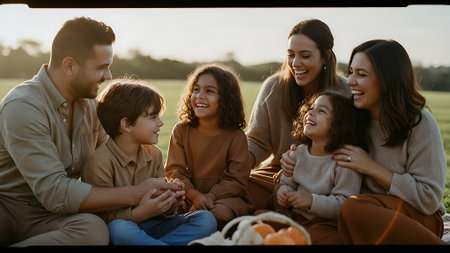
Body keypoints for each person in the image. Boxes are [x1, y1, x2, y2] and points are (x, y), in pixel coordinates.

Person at [0, 17, 178, 246]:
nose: (109, 76)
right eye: (102, 67)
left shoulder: (92, 108)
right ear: (70, 65)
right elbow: (55, 192)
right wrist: (137, 193)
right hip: (7, 208)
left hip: (52, 217)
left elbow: (112, 157)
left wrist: (162, 193)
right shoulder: (23, 107)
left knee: (94, 230)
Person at [281, 39, 447, 244]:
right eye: (350, 72)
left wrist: (371, 168)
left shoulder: (420, 124)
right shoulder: (353, 117)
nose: (350, 81)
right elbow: (325, 161)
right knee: (310, 234)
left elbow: (429, 199)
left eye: (361, 74)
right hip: (356, 214)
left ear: (388, 79)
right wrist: (293, 164)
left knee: (354, 208)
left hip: (415, 217)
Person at [81, 79, 217, 245]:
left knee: (206, 219)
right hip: (125, 228)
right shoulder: (99, 162)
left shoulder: (154, 155)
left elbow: (163, 213)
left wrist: (171, 202)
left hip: (152, 228)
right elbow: (103, 219)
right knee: (118, 228)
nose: (160, 123)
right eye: (153, 117)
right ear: (127, 125)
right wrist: (140, 213)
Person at [246, 18, 351, 210]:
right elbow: (257, 142)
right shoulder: (274, 87)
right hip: (278, 174)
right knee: (240, 189)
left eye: (305, 55)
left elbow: (354, 147)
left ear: (325, 56)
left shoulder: (346, 92)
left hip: (328, 181)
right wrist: (234, 166)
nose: (296, 63)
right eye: (291, 54)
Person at [273, 90, 370, 244]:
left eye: (321, 111)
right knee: (262, 222)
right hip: (293, 216)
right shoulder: (297, 154)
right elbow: (286, 183)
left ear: (339, 125)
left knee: (322, 239)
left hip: (323, 223)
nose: (311, 113)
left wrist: (311, 201)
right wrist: (284, 193)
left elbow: (344, 204)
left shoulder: (345, 161)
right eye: (311, 108)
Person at [165, 64, 254, 229]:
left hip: (223, 199)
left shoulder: (236, 136)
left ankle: (191, 226)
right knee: (162, 207)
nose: (199, 96)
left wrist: (210, 197)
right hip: (187, 195)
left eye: (209, 91)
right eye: (196, 89)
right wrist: (194, 196)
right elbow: (174, 171)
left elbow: (236, 180)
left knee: (219, 214)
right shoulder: (181, 130)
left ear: (226, 99)